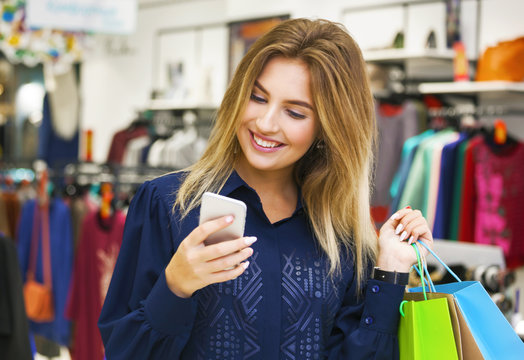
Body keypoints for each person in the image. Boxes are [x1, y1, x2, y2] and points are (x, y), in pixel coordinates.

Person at [98, 18, 433, 359]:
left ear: (328, 127)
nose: (266, 123)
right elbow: (123, 352)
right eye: (257, 97)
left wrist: (390, 268)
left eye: (295, 112)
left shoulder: (342, 237)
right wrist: (176, 286)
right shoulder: (168, 205)